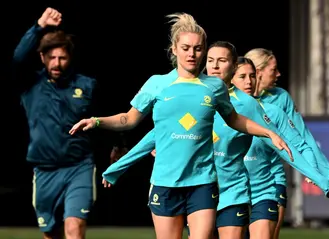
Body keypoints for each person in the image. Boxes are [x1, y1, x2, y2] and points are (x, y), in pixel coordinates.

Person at [69, 13, 291, 239]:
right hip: (166, 182)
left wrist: (267, 132)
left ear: (203, 50)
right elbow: (128, 119)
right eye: (186, 48)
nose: (192, 54)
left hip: (202, 181)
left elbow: (234, 119)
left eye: (197, 48)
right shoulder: (157, 84)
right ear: (174, 49)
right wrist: (96, 121)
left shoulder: (214, 86)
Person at [13, 8, 97, 239]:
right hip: (44, 170)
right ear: (42, 57)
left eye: (62, 57)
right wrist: (39, 26)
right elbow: (18, 58)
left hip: (79, 167)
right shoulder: (30, 83)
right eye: (51, 57)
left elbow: (103, 118)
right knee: (51, 233)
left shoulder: (86, 85)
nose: (57, 63)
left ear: (70, 58)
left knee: (74, 227)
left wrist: (118, 145)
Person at [244, 48, 329, 239]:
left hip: (271, 178)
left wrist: (322, 175)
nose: (279, 74)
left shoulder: (280, 99)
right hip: (235, 181)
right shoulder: (231, 100)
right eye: (274, 69)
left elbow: (303, 139)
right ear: (258, 71)